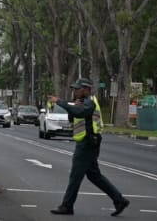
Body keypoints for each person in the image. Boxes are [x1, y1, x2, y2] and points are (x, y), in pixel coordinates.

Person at [48, 78, 130, 217]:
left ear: (86, 89)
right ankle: (119, 200)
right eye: (74, 89)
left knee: (76, 176)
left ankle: (67, 206)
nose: (75, 91)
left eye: (77, 89)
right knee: (94, 175)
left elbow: (81, 113)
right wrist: (73, 106)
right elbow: (73, 118)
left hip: (87, 143)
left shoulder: (90, 102)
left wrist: (60, 102)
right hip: (87, 142)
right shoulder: (84, 102)